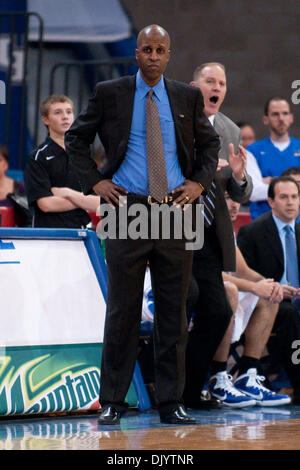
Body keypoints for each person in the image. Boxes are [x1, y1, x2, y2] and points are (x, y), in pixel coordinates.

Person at [65, 25, 220, 425]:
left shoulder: (186, 96)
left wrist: (199, 182)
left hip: (174, 210)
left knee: (174, 312)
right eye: (147, 49)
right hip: (125, 208)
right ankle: (113, 401)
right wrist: (95, 181)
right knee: (122, 311)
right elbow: (76, 139)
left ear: (169, 55)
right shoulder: (110, 92)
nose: (153, 56)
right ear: (136, 53)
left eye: (161, 50)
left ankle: (172, 402)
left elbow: (209, 145)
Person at [183, 62, 253, 408]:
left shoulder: (229, 130)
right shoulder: (174, 122)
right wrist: (204, 170)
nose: (217, 87)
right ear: (195, 87)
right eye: (210, 81)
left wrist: (238, 177)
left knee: (218, 312)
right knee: (184, 301)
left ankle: (191, 391)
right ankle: (167, 391)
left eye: (222, 83)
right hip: (174, 230)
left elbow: (239, 192)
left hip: (210, 234)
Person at [207, 192, 290, 407]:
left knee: (269, 296)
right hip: (194, 294)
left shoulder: (226, 230)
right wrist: (256, 287)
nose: (234, 205)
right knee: (230, 291)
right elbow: (210, 274)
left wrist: (270, 285)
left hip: (218, 292)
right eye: (227, 198)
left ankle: (247, 374)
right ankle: (218, 377)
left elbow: (243, 271)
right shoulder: (203, 226)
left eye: (236, 200)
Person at [238, 176, 300, 404]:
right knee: (290, 314)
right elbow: (243, 275)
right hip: (266, 300)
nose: (290, 202)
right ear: (271, 202)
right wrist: (273, 288)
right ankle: (297, 385)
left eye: (294, 197)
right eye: (283, 197)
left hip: (296, 298)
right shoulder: (252, 232)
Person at [24, 94, 99, 228]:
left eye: (69, 112)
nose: (65, 116)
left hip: (82, 232)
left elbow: (99, 204)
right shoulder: (38, 157)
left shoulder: (83, 155)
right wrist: (83, 200)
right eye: (58, 112)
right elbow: (46, 204)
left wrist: (67, 193)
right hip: (50, 235)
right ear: (45, 119)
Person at [246, 97, 300, 219]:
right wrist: (294, 185)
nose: (281, 119)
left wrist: (272, 180)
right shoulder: (252, 151)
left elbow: (260, 189)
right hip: (262, 225)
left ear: (291, 118)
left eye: (285, 113)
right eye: (275, 114)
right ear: (266, 119)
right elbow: (253, 192)